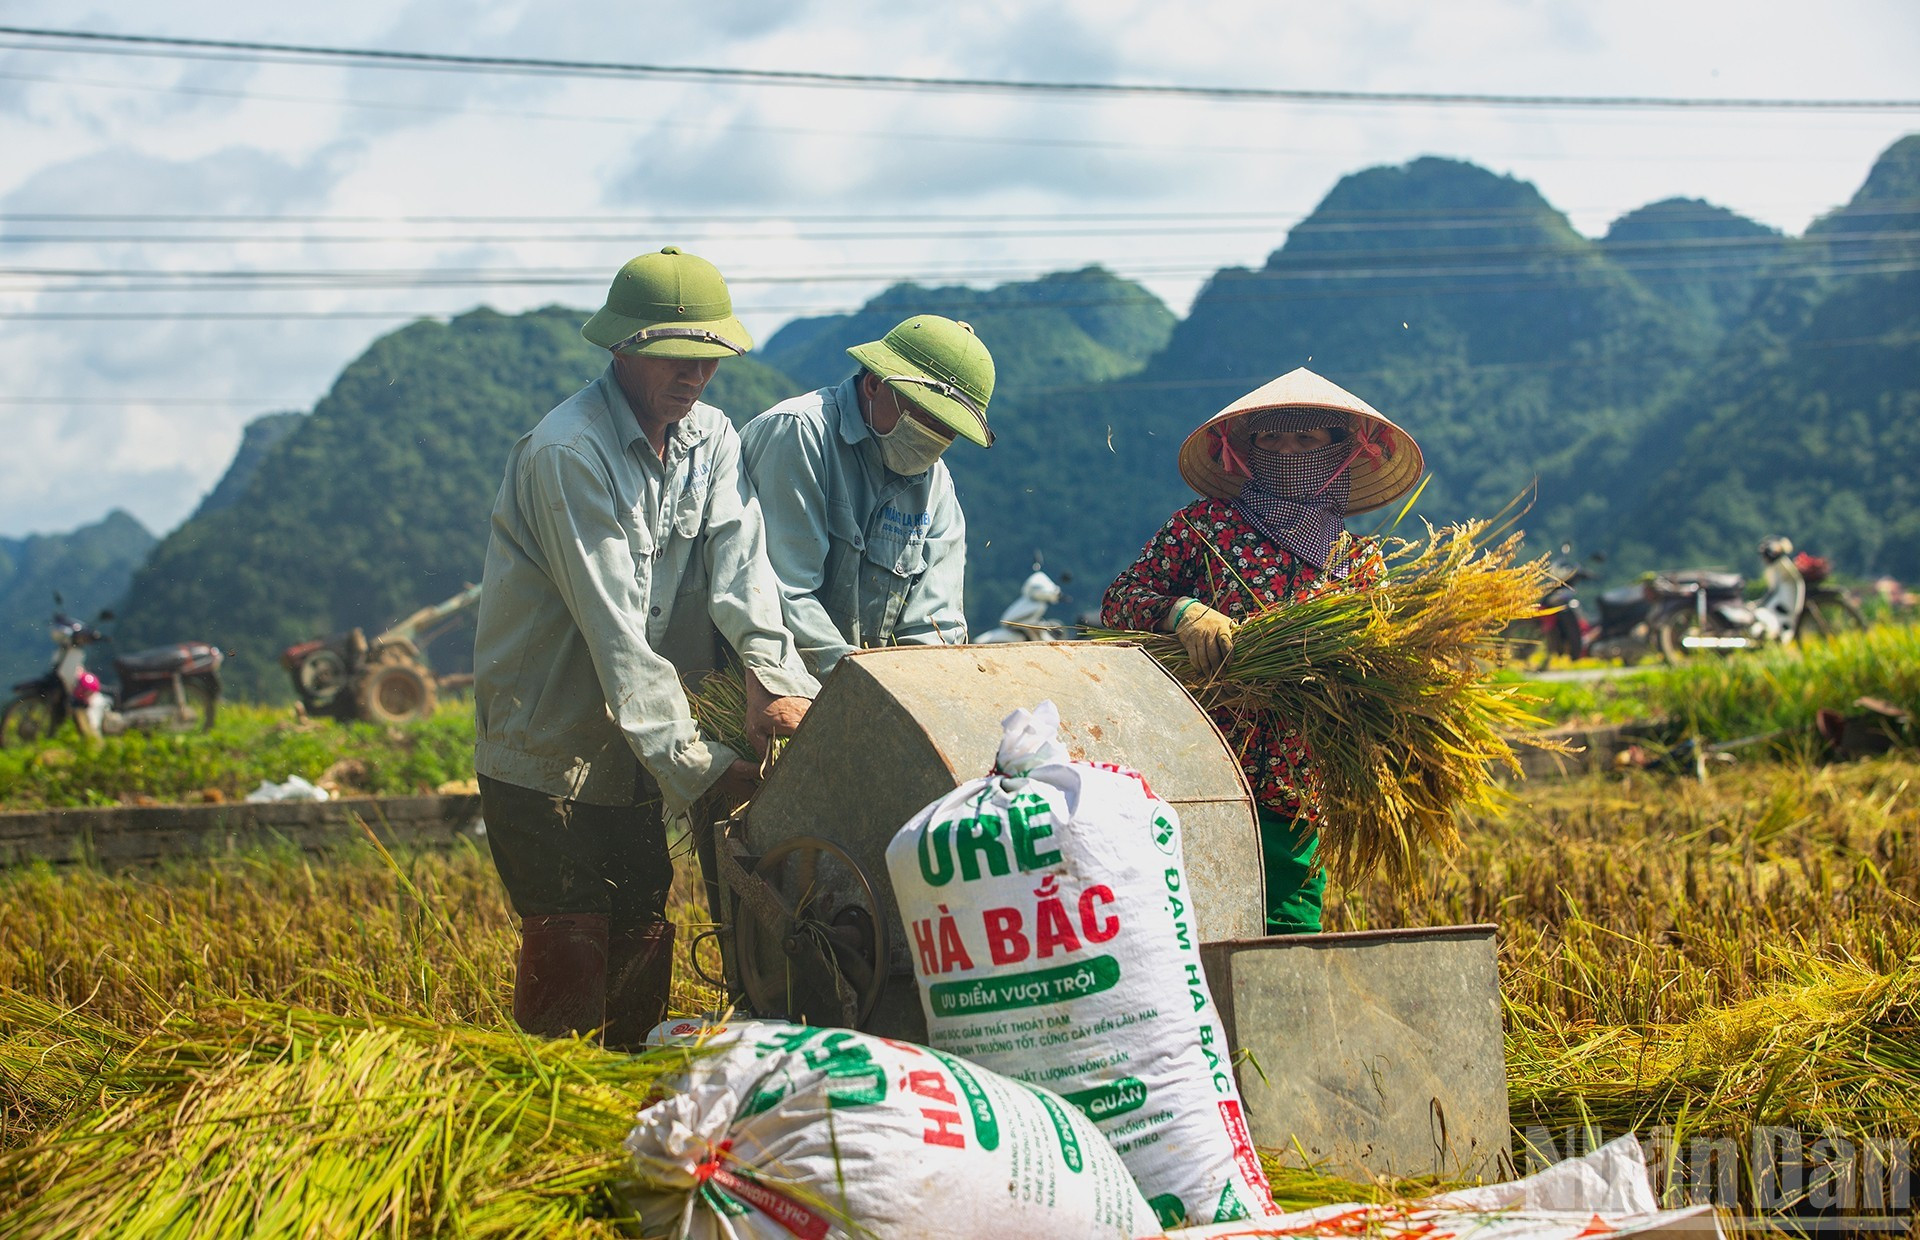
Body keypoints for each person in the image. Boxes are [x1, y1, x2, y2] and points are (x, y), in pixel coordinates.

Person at [472, 246, 819, 1046]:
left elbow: (742, 569)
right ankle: (557, 1107)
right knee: (570, 943)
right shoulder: (569, 453)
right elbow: (616, 632)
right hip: (550, 746)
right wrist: (700, 766)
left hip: (640, 748)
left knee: (641, 928)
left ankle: (632, 1097)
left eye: (710, 356)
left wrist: (773, 679)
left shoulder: (713, 439)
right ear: (624, 348)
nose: (696, 375)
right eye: (677, 355)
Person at [1100, 367, 1424, 935]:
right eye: (1271, 439)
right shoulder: (1203, 528)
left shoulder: (1357, 562)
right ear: (1248, 450)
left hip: (1298, 790)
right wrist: (1182, 612)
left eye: (1306, 439)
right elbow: (1119, 601)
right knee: (1194, 931)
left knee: (1288, 940)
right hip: (1201, 772)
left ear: (1339, 451)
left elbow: (1378, 669)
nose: (1287, 451)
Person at [740, 315, 995, 675]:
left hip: (865, 686)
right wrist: (862, 688)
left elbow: (936, 626)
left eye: (949, 429)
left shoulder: (936, 485)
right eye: (925, 416)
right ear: (874, 384)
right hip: (772, 679)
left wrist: (924, 685)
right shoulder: (799, 434)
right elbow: (785, 593)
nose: (935, 438)